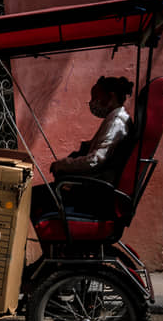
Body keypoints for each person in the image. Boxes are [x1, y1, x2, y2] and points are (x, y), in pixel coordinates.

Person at [31, 75, 134, 219]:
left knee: (32, 197)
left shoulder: (116, 122)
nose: (92, 103)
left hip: (95, 194)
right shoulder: (115, 118)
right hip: (94, 187)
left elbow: (95, 160)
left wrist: (64, 165)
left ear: (111, 96)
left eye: (96, 97)